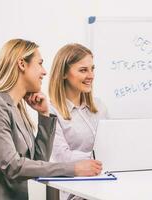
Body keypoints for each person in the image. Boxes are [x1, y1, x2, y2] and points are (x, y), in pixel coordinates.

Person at [0, 39, 102, 200]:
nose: (44, 72)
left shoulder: (17, 108)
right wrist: (73, 168)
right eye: (40, 63)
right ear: (22, 64)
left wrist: (44, 116)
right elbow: (13, 167)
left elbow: (38, 161)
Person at [48, 43, 108, 200]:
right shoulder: (50, 111)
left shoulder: (100, 107)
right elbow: (62, 158)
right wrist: (103, 158)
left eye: (92, 69)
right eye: (83, 70)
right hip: (76, 192)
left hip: (107, 185)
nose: (91, 75)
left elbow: (114, 146)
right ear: (63, 74)